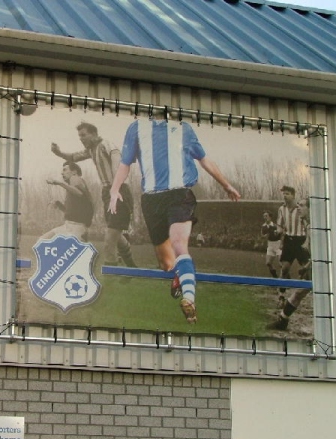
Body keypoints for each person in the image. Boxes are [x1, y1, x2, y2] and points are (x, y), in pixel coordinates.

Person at [109, 119, 240, 324]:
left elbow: (204, 159)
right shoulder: (136, 127)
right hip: (152, 199)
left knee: (179, 244)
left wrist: (226, 185)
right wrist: (114, 189)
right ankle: (179, 273)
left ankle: (189, 299)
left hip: (179, 195)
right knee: (166, 263)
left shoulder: (184, 128)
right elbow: (125, 163)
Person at [51, 122, 136, 267]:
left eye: (83, 135)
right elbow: (73, 157)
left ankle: (111, 276)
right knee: (115, 232)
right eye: (79, 136)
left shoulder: (106, 144)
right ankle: (132, 268)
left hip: (118, 191)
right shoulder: (91, 150)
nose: (81, 138)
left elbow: (118, 162)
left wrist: (116, 187)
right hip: (107, 192)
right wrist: (58, 153)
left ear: (94, 134)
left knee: (109, 240)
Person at [268, 197, 311, 330]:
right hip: (317, 266)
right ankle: (283, 320)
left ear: (311, 209)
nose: (299, 208)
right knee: (299, 292)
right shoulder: (308, 226)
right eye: (299, 205)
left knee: (301, 292)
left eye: (303, 205)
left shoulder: (316, 228)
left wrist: (307, 266)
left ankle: (283, 320)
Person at [40, 161, 94, 242]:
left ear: (74, 172)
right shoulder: (70, 188)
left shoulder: (75, 178)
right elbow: (68, 211)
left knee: (43, 243)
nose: (62, 173)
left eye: (65, 170)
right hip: (68, 226)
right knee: (42, 241)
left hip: (77, 228)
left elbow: (79, 193)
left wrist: (60, 183)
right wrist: (58, 204)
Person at [276, 185, 309, 303]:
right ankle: (281, 295)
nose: (285, 196)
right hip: (289, 241)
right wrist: (278, 233)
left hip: (300, 240)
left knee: (307, 268)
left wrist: (307, 241)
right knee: (284, 268)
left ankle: (307, 293)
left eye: (287, 194)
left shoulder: (300, 208)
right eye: (284, 194)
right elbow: (280, 226)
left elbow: (307, 225)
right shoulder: (281, 209)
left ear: (293, 195)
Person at [261, 211, 281, 278]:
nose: (265, 218)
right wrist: (264, 236)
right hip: (270, 245)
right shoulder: (263, 226)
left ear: (270, 217)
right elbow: (262, 235)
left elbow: (281, 234)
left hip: (278, 244)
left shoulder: (275, 226)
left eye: (266, 216)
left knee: (281, 264)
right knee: (268, 263)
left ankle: (286, 279)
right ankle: (275, 278)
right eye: (264, 216)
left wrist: (277, 234)